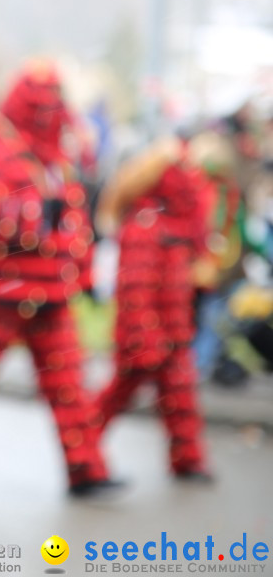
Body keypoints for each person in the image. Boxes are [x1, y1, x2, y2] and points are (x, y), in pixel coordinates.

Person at [0, 62, 117, 497]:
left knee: (68, 382)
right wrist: (34, 213)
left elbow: (74, 221)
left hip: (51, 288)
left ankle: (86, 467)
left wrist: (84, 275)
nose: (50, 114)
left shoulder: (56, 155)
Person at [93, 136, 215, 480]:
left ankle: (188, 460)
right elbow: (135, 289)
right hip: (144, 337)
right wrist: (145, 338)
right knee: (114, 397)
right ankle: (82, 454)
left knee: (180, 398)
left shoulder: (174, 224)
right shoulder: (148, 223)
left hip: (172, 331)